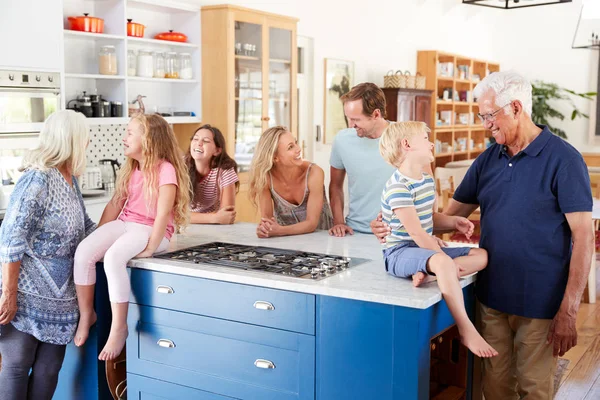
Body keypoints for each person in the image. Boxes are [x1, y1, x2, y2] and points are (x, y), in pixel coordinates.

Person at [373, 71, 594, 399]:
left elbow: (585, 238)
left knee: (535, 388)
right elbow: (448, 219)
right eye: (482, 116)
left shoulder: (564, 160)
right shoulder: (488, 160)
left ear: (516, 108)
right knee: (494, 387)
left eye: (490, 115)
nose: (485, 124)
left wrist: (570, 309)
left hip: (540, 301)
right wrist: (391, 224)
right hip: (491, 298)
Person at [72, 114, 191, 361]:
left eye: (129, 133)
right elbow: (116, 204)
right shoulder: (132, 168)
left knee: (115, 257)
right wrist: (99, 237)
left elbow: (163, 213)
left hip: (151, 231)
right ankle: (87, 314)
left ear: (148, 140)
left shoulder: (165, 169)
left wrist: (152, 247)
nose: (123, 138)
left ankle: (119, 327)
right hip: (127, 224)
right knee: (84, 251)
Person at [379, 121, 497, 358]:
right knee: (443, 262)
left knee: (482, 254)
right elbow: (417, 234)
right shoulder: (398, 187)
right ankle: (466, 329)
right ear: (407, 145)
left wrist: (453, 222)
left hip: (421, 250)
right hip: (399, 252)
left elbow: (428, 218)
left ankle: (430, 271)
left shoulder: (424, 179)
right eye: (425, 138)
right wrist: (439, 258)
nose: (431, 143)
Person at [0, 110, 96, 399]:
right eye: (84, 136)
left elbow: (85, 227)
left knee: (48, 370)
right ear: (71, 140)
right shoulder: (37, 180)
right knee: (17, 367)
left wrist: (123, 234)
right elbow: (11, 238)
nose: (88, 142)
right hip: (25, 294)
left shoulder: (70, 179)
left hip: (61, 299)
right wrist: (9, 293)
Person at [329, 82, 433, 237]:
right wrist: (338, 222)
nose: (351, 125)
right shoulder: (342, 140)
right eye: (348, 118)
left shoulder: (407, 137)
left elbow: (427, 189)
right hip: (354, 234)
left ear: (376, 114)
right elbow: (335, 186)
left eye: (356, 119)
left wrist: (425, 233)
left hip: (399, 235)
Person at [248, 126, 333, 238]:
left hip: (321, 241)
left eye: (296, 143)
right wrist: (265, 229)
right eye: (290, 147)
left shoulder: (314, 173)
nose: (298, 149)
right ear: (275, 158)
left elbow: (311, 224)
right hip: (287, 244)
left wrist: (279, 231)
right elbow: (267, 221)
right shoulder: (266, 179)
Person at [185, 124, 239, 224]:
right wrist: (214, 218)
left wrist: (189, 217)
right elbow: (171, 214)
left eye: (205, 141)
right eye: (195, 139)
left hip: (213, 228)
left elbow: (227, 216)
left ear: (217, 151)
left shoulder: (225, 170)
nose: (199, 143)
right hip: (183, 227)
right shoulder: (179, 167)